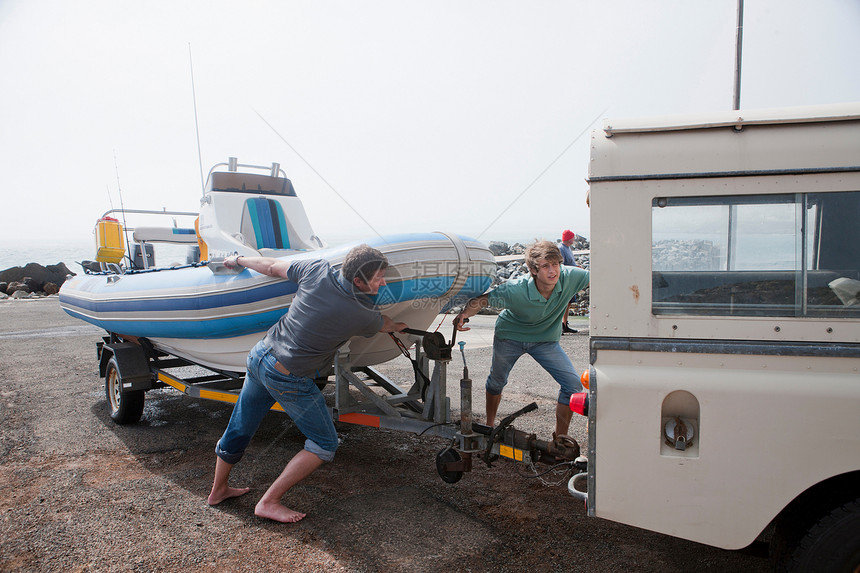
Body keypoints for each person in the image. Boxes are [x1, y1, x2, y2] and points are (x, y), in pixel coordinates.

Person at [207, 245, 407, 523]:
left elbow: (269, 265)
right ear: (358, 281)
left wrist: (236, 259)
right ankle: (269, 502)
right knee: (325, 442)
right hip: (287, 375)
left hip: (260, 355)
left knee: (241, 427)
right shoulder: (361, 312)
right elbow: (382, 323)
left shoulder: (316, 269)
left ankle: (218, 491)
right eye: (378, 278)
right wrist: (398, 325)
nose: (383, 282)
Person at [455, 240, 589, 439]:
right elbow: (482, 300)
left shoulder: (572, 278)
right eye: (545, 266)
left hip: (545, 340)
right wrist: (464, 315)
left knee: (572, 384)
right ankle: (489, 426)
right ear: (534, 270)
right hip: (510, 336)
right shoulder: (515, 290)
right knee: (497, 382)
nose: (552, 271)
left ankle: (560, 440)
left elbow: (605, 276)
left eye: (555, 265)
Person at [559, 229, 579, 334]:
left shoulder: (568, 248)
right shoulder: (562, 249)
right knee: (564, 302)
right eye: (572, 237)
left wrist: (576, 267)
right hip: (565, 279)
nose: (574, 239)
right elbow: (561, 265)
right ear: (569, 239)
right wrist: (574, 267)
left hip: (570, 278)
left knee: (568, 302)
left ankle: (564, 324)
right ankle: (560, 325)